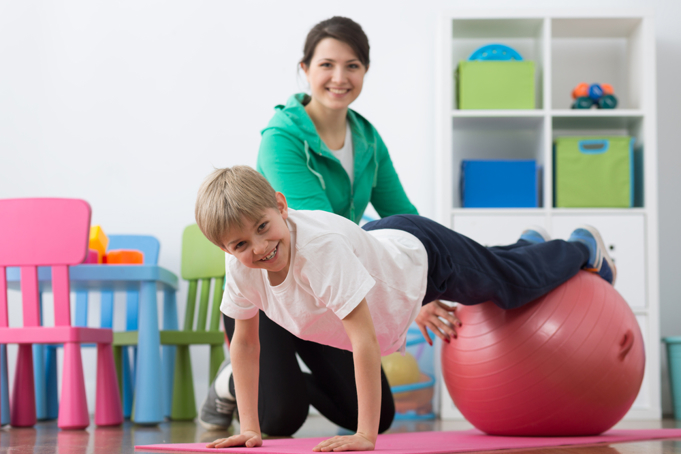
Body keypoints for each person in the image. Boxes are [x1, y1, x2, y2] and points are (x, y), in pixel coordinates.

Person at [196, 166, 616, 452]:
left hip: (423, 259)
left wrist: (364, 435)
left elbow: (362, 339)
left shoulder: (319, 250)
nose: (260, 247)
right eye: (240, 245)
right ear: (225, 249)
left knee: (508, 287)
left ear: (281, 206)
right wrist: (249, 428)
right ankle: (527, 247)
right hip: (378, 249)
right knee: (498, 269)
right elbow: (246, 345)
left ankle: (582, 247)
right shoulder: (241, 269)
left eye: (264, 228)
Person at [199, 16, 422, 436]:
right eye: (326, 65)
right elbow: (323, 229)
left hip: (325, 285)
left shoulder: (368, 140)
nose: (339, 77)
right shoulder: (281, 137)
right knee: (280, 418)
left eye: (352, 65)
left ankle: (279, 383)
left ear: (365, 71)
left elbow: (403, 218)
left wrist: (424, 280)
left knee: (377, 415)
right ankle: (230, 381)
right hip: (274, 283)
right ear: (305, 69)